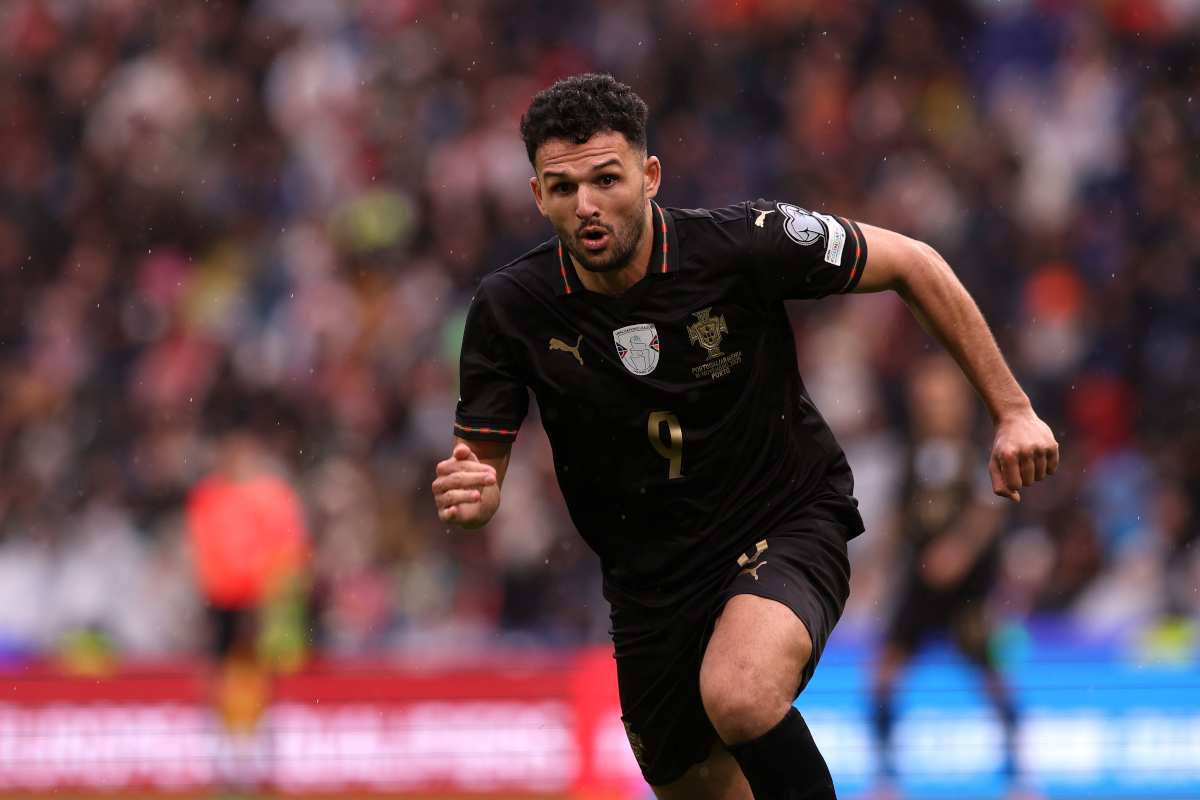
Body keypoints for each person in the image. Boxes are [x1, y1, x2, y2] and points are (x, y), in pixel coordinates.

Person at [431, 74, 1058, 800]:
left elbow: (912, 262)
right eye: (563, 188)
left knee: (740, 692)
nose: (588, 206)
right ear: (538, 196)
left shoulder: (741, 245)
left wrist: (1012, 410)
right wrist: (473, 495)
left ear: (650, 176)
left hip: (784, 519)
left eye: (607, 179)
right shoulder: (510, 308)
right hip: (648, 584)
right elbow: (482, 469)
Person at [871, 354, 1020, 796]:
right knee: (883, 677)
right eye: (927, 400)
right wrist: (874, 569)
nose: (935, 409)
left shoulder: (979, 454)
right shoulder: (913, 457)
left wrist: (961, 550)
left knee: (991, 676)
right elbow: (900, 518)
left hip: (967, 591)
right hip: (920, 586)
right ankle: (886, 775)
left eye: (943, 399)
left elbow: (988, 511)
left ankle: (1017, 772)